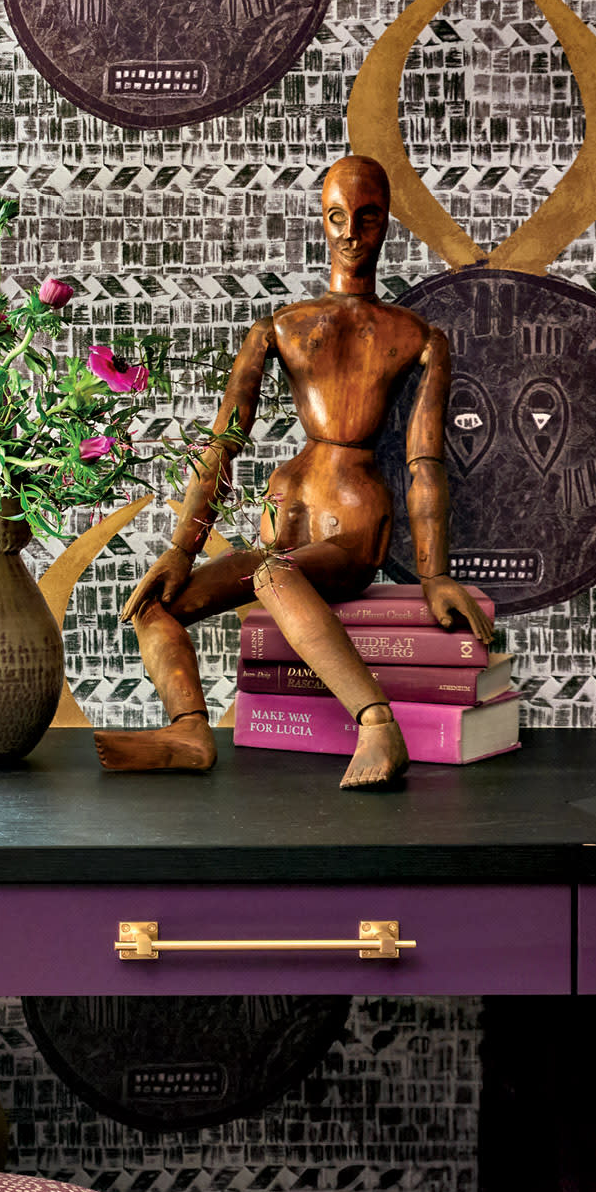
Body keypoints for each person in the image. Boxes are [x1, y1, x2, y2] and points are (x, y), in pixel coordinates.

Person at [98, 153, 491, 789]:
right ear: (321, 220)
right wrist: (179, 550)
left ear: (387, 222)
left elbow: (425, 463)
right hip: (285, 529)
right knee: (156, 606)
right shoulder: (282, 326)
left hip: (352, 530)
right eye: (337, 217)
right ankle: (189, 730)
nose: (351, 234)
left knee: (273, 575)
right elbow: (224, 442)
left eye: (367, 217)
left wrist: (435, 575)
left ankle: (378, 725)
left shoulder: (414, 336)